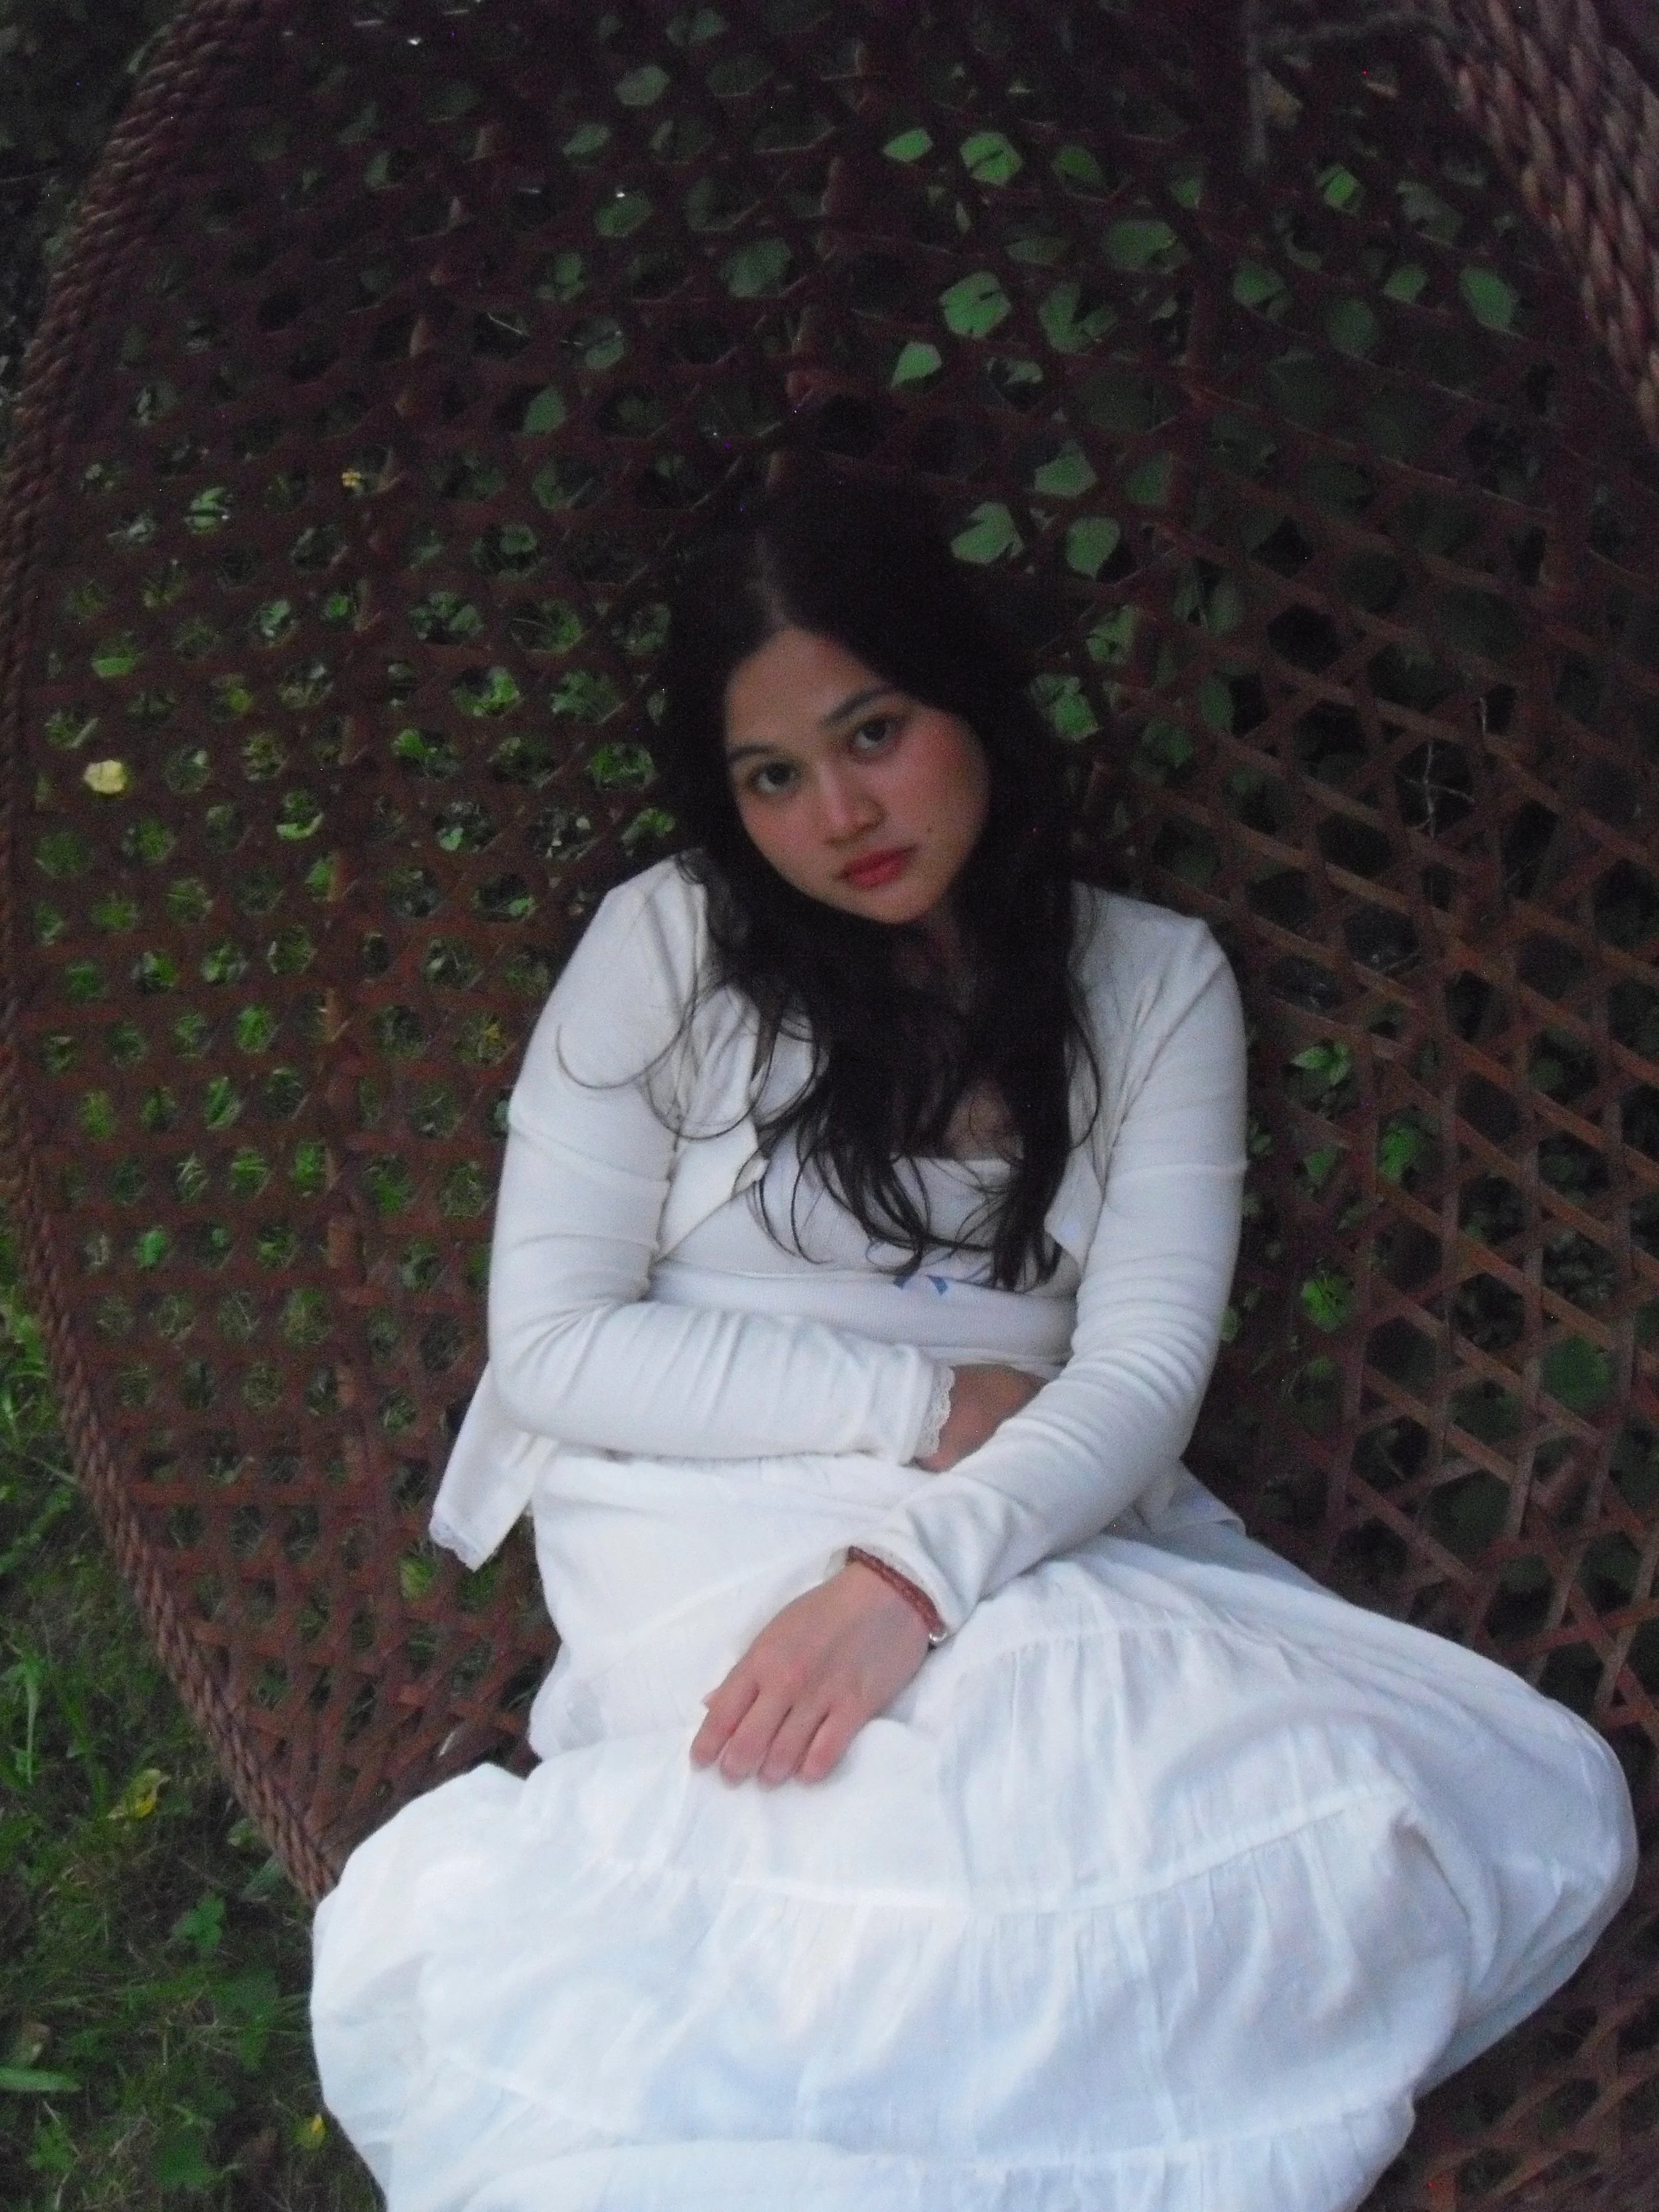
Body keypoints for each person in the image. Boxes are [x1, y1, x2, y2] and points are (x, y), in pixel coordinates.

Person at [309, 469, 1637, 2212]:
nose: (839, 814)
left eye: (874, 733)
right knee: (915, 1816)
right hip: (700, 1492)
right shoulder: (670, 941)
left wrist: (909, 1573)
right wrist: (924, 1401)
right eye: (772, 777)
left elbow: (1138, 1383)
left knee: (1306, 1790)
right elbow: (555, 1345)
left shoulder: (1152, 983)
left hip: (1021, 1518)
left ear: (972, 700)